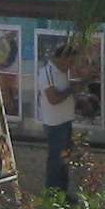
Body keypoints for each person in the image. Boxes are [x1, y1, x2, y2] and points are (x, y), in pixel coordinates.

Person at [39, 39, 79, 194]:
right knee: (56, 162)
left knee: (64, 161)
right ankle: (52, 196)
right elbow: (53, 99)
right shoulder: (47, 73)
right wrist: (71, 90)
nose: (71, 65)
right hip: (55, 126)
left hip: (66, 123)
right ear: (61, 57)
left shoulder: (63, 73)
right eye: (70, 61)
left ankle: (63, 194)